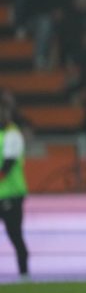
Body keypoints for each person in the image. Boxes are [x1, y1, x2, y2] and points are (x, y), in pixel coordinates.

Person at [0, 101, 29, 282]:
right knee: (15, 234)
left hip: (11, 193)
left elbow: (8, 165)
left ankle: (24, 275)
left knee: (15, 234)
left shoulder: (12, 135)